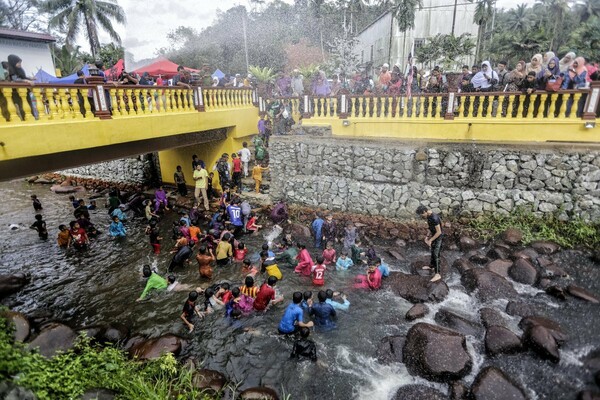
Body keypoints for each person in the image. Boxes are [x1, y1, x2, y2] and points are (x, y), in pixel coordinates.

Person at [416, 205, 443, 282]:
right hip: (434, 235)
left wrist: (430, 240)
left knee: (436, 254)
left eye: (421, 215)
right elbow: (430, 228)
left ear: (424, 212)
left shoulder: (434, 218)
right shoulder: (428, 216)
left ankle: (438, 274)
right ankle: (431, 266)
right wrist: (427, 236)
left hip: (438, 237)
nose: (421, 216)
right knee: (432, 251)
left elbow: (439, 232)